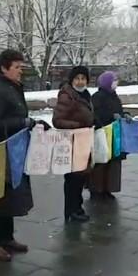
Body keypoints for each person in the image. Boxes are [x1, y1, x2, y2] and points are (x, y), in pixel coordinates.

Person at [0, 49, 50, 262]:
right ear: (3, 68)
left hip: (13, 151)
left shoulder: (12, 88)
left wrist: (34, 124)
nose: (21, 71)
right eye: (17, 67)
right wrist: (23, 123)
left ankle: (6, 238)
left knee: (9, 196)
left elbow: (18, 116)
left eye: (22, 67)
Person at [52, 66, 94, 223]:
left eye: (83, 78)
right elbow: (57, 120)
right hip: (71, 143)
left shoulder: (85, 95)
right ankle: (71, 210)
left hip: (83, 142)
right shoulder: (67, 96)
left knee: (80, 178)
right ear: (72, 80)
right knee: (73, 179)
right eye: (77, 78)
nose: (80, 81)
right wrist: (78, 126)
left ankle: (77, 208)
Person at [89, 71, 124, 199]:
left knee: (111, 162)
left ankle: (107, 188)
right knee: (100, 161)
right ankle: (96, 188)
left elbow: (119, 110)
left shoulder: (114, 96)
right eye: (114, 80)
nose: (116, 83)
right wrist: (111, 116)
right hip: (102, 132)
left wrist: (124, 115)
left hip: (114, 132)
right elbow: (95, 114)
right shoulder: (97, 96)